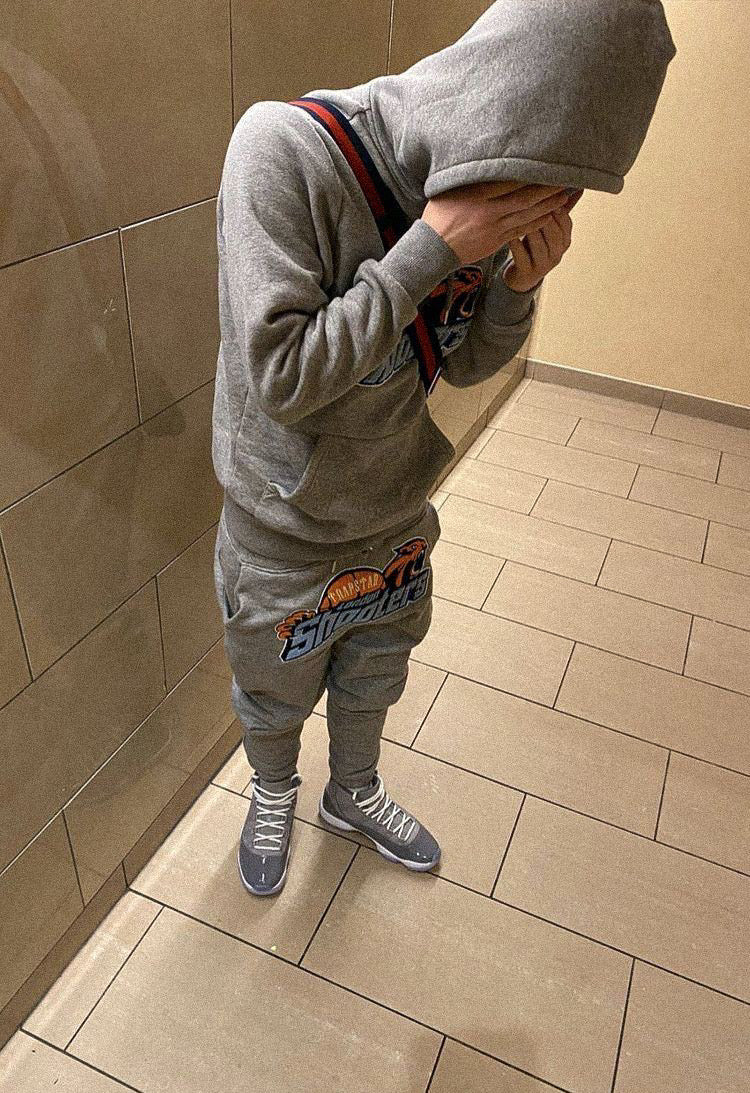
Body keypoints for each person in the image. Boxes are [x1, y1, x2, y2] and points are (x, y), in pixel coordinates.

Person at [211, 0, 677, 895]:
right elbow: (282, 376)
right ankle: (274, 789)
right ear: (498, 113)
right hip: (284, 528)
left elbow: (462, 364)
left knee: (375, 672)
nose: (551, 206)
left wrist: (517, 285)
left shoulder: (482, 198)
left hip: (394, 512)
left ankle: (353, 791)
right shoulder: (282, 149)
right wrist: (431, 247)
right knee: (272, 687)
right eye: (544, 184)